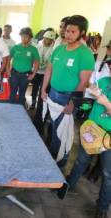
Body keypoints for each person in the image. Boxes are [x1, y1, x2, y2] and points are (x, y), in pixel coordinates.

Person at [41, 15, 95, 168]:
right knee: (52, 127)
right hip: (53, 94)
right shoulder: (58, 49)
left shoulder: (85, 54)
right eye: (66, 31)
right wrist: (44, 89)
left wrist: (72, 103)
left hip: (68, 97)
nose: (68, 34)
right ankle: (52, 157)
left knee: (63, 132)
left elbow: (83, 81)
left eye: (72, 31)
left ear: (82, 33)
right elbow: (49, 70)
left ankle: (59, 165)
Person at [57, 67, 111, 218]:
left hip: (109, 138)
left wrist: (107, 103)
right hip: (92, 130)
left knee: (108, 175)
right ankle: (68, 185)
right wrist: (92, 89)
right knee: (81, 161)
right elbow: (90, 87)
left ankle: (102, 207)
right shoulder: (105, 81)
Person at [8, 27, 40, 105]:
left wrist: (33, 74)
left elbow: (37, 62)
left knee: (22, 94)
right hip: (14, 74)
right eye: (22, 36)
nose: (23, 38)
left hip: (26, 75)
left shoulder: (33, 49)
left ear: (30, 38)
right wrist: (8, 70)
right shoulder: (15, 47)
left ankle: (21, 112)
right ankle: (9, 110)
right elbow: (8, 59)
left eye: (26, 36)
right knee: (12, 93)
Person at [31, 30, 56, 108]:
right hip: (37, 71)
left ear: (52, 41)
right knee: (35, 88)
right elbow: (33, 58)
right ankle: (33, 102)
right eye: (45, 38)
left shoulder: (54, 49)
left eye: (49, 39)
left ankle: (41, 105)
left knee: (43, 89)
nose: (46, 40)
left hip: (46, 73)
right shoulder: (38, 46)